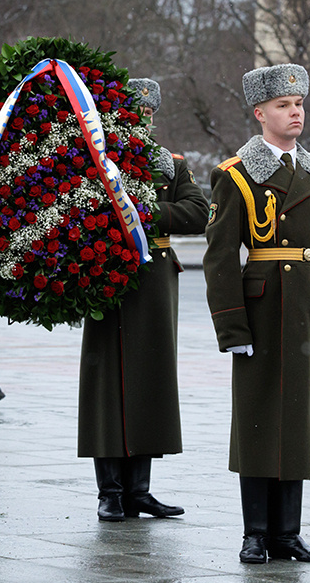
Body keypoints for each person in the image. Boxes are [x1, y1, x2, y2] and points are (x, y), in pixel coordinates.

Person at [202, 64, 310, 563]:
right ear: (260, 113)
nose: (295, 113)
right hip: (264, 314)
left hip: (307, 308)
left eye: (300, 105)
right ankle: (256, 533)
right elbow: (220, 258)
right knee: (260, 421)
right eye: (284, 106)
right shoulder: (235, 174)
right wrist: (231, 325)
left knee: (300, 422)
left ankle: (288, 532)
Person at [78, 77, 209, 521]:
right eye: (137, 112)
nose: (144, 120)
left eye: (150, 113)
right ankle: (110, 490)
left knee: (149, 381)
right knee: (107, 383)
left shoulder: (170, 162)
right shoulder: (96, 160)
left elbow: (197, 213)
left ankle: (139, 490)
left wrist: (139, 212)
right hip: (108, 272)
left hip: (155, 283)